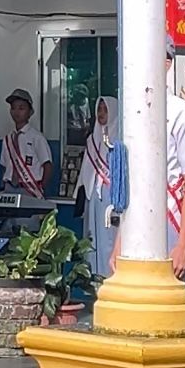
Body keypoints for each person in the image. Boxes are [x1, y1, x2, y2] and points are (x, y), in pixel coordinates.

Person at [111, 36, 185, 283]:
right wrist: (120, 241)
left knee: (171, 295)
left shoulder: (183, 114)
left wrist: (184, 244)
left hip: (170, 223)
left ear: (166, 63)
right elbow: (132, 184)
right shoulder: (130, 115)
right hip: (136, 226)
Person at [76, 96, 118, 279]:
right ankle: (94, 277)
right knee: (93, 237)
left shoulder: (119, 138)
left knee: (109, 237)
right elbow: (86, 169)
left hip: (111, 195)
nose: (101, 114)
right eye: (99, 110)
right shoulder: (92, 139)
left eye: (105, 110)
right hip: (93, 195)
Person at [0, 89, 52, 198]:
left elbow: (47, 165)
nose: (16, 112)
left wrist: (41, 186)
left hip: (30, 188)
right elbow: (4, 165)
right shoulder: (8, 139)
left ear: (30, 112)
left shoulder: (37, 138)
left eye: (21, 108)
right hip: (10, 188)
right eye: (13, 108)